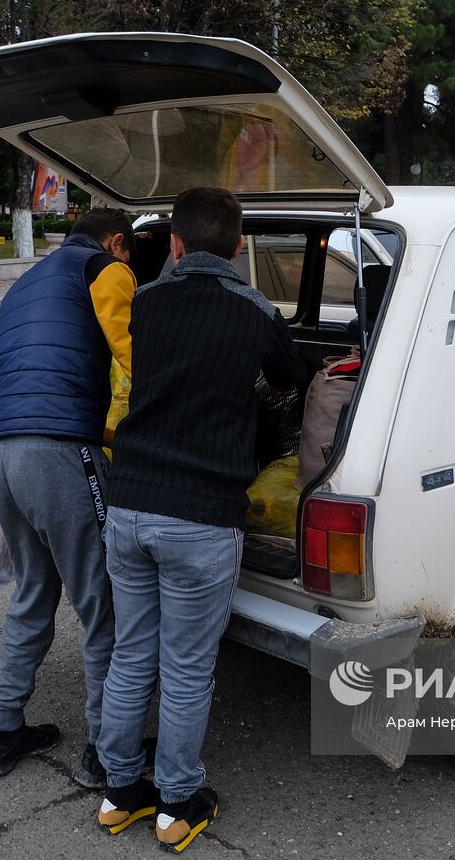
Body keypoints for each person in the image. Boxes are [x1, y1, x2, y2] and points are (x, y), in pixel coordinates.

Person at [95, 187, 305, 851]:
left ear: (177, 244)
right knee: (186, 666)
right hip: (202, 515)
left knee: (133, 651)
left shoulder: (147, 301)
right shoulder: (255, 309)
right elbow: (293, 374)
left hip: (128, 504)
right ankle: (179, 803)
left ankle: (120, 792)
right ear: (240, 247)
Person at [0, 208, 142, 781]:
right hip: (61, 455)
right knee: (102, 602)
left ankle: (3, 732)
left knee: (34, 591)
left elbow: (36, 371)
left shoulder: (25, 281)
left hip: (3, 451)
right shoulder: (104, 268)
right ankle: (102, 748)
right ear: (117, 241)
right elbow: (134, 352)